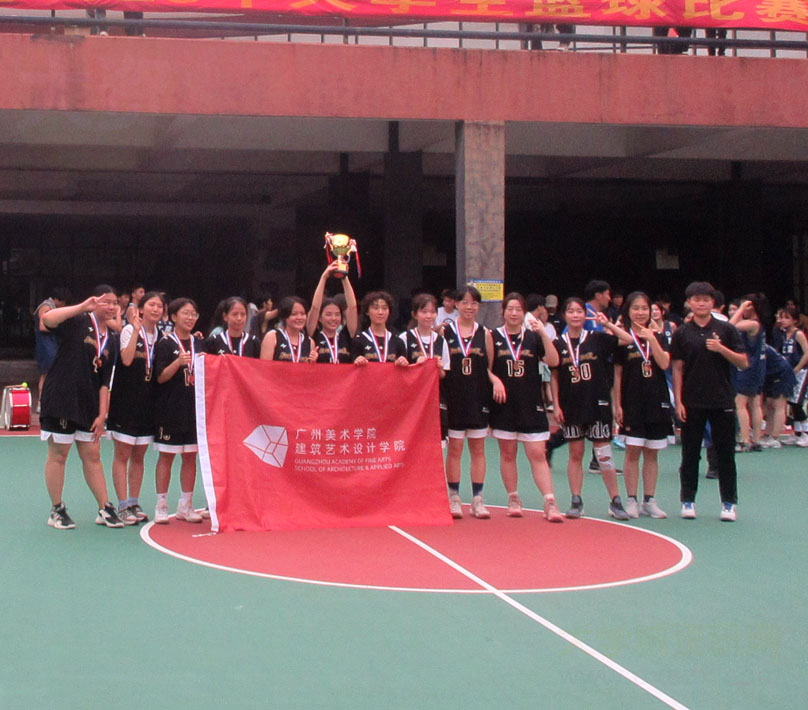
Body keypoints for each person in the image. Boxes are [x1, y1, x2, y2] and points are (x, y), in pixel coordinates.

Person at [39, 285, 123, 529]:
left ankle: (105, 507)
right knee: (59, 454)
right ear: (95, 301)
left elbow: (105, 382)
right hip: (61, 399)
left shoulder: (112, 339)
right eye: (106, 301)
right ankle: (57, 510)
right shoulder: (77, 321)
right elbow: (47, 319)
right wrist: (82, 307)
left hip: (88, 405)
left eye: (115, 303)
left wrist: (102, 414)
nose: (111, 306)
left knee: (93, 455)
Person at [550, 297, 633, 520]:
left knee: (604, 454)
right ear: (564, 315)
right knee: (575, 453)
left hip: (598, 404)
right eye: (571, 311)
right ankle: (576, 500)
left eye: (579, 311)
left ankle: (615, 501)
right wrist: (556, 405)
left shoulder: (596, 338)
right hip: (571, 405)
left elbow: (627, 339)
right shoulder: (558, 343)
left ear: (585, 315)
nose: (575, 315)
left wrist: (607, 324)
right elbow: (554, 376)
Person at [672, 281, 747, 522]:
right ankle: (688, 501)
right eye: (696, 299)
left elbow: (743, 362)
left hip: (721, 399)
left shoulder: (726, 330)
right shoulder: (682, 332)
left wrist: (721, 349)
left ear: (713, 302)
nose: (701, 303)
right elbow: (677, 368)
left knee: (725, 454)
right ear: (689, 303)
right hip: (692, 401)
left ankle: (729, 503)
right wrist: (678, 401)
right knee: (690, 454)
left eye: (706, 299)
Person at [490, 293, 563, 522]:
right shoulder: (493, 336)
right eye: (510, 309)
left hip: (531, 404)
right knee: (508, 453)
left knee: (537, 453)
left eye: (518, 309)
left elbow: (554, 361)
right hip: (504, 405)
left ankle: (550, 502)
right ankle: (513, 498)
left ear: (524, 313)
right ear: (503, 311)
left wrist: (543, 332)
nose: (514, 313)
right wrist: (495, 380)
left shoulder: (533, 336)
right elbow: (486, 367)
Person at [107, 290, 165, 524]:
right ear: (141, 309)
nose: (156, 309)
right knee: (122, 454)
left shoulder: (162, 337)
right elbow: (127, 359)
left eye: (159, 306)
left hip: (147, 405)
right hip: (125, 402)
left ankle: (133, 502)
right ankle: (122, 505)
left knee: (139, 455)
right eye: (151, 305)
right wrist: (136, 331)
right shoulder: (129, 330)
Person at [613, 292, 672, 519]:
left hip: (656, 401)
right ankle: (631, 499)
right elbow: (617, 374)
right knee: (632, 451)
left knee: (652, 452)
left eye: (644, 308)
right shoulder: (623, 339)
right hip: (632, 402)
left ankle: (649, 500)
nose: (640, 312)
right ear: (628, 311)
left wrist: (652, 338)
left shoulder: (660, 336)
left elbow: (664, 363)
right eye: (636, 308)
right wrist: (617, 405)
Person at [442, 286, 498, 519]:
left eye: (474, 303)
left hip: (478, 398)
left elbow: (489, 368)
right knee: (455, 449)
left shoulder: (485, 334)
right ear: (456, 304)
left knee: (478, 449)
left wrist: (495, 382)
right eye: (464, 302)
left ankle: (478, 499)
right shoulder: (445, 332)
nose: (469, 307)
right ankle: (454, 497)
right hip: (454, 398)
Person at [153, 297, 206, 524]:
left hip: (194, 410)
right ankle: (161, 505)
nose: (190, 318)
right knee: (166, 456)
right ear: (173, 317)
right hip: (169, 409)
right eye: (185, 313)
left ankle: (186, 505)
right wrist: (177, 363)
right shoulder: (165, 343)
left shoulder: (200, 343)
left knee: (190, 456)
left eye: (193, 314)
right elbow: (160, 377)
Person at [400, 293, 448, 442]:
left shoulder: (441, 341)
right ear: (414, 314)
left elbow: (443, 375)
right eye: (424, 311)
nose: (429, 316)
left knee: (437, 445)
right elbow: (399, 372)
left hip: (435, 400)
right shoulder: (404, 338)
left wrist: (439, 369)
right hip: (412, 400)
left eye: (432, 312)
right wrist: (415, 366)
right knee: (412, 443)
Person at [729, 295, 767, 452]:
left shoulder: (753, 323)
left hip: (748, 369)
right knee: (755, 403)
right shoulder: (758, 324)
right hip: (758, 368)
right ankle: (756, 440)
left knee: (740, 404)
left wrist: (741, 309)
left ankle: (745, 440)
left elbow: (730, 326)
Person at [307, 263, 358, 363]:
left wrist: (344, 277)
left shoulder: (346, 336)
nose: (333, 318)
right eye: (328, 314)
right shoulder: (314, 335)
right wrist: (324, 277)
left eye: (337, 314)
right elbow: (315, 308)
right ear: (319, 318)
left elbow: (352, 307)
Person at [775, 305, 808, 446]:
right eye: (781, 317)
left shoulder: (798, 334)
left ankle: (806, 432)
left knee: (797, 402)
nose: (782, 320)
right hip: (787, 372)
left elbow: (807, 353)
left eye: (786, 318)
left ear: (794, 320)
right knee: (790, 401)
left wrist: (797, 369)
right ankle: (797, 433)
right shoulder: (782, 334)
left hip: (801, 372)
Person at [33, 287, 70, 411]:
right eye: (63, 302)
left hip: (52, 344)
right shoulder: (46, 306)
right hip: (46, 345)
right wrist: (59, 327)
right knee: (46, 374)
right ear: (58, 299)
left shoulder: (52, 307)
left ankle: (50, 401)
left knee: (52, 374)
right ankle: (41, 402)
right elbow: (42, 326)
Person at [352, 291, 409, 366]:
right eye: (375, 308)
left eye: (384, 308)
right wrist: (357, 361)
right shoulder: (359, 340)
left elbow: (404, 369)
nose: (380, 312)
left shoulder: (398, 342)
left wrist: (403, 362)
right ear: (367, 311)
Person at [261, 297, 316, 362]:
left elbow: (310, 368)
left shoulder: (310, 342)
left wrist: (313, 361)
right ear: (285, 316)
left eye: (303, 314)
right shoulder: (272, 337)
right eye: (294, 314)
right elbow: (264, 366)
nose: (299, 318)